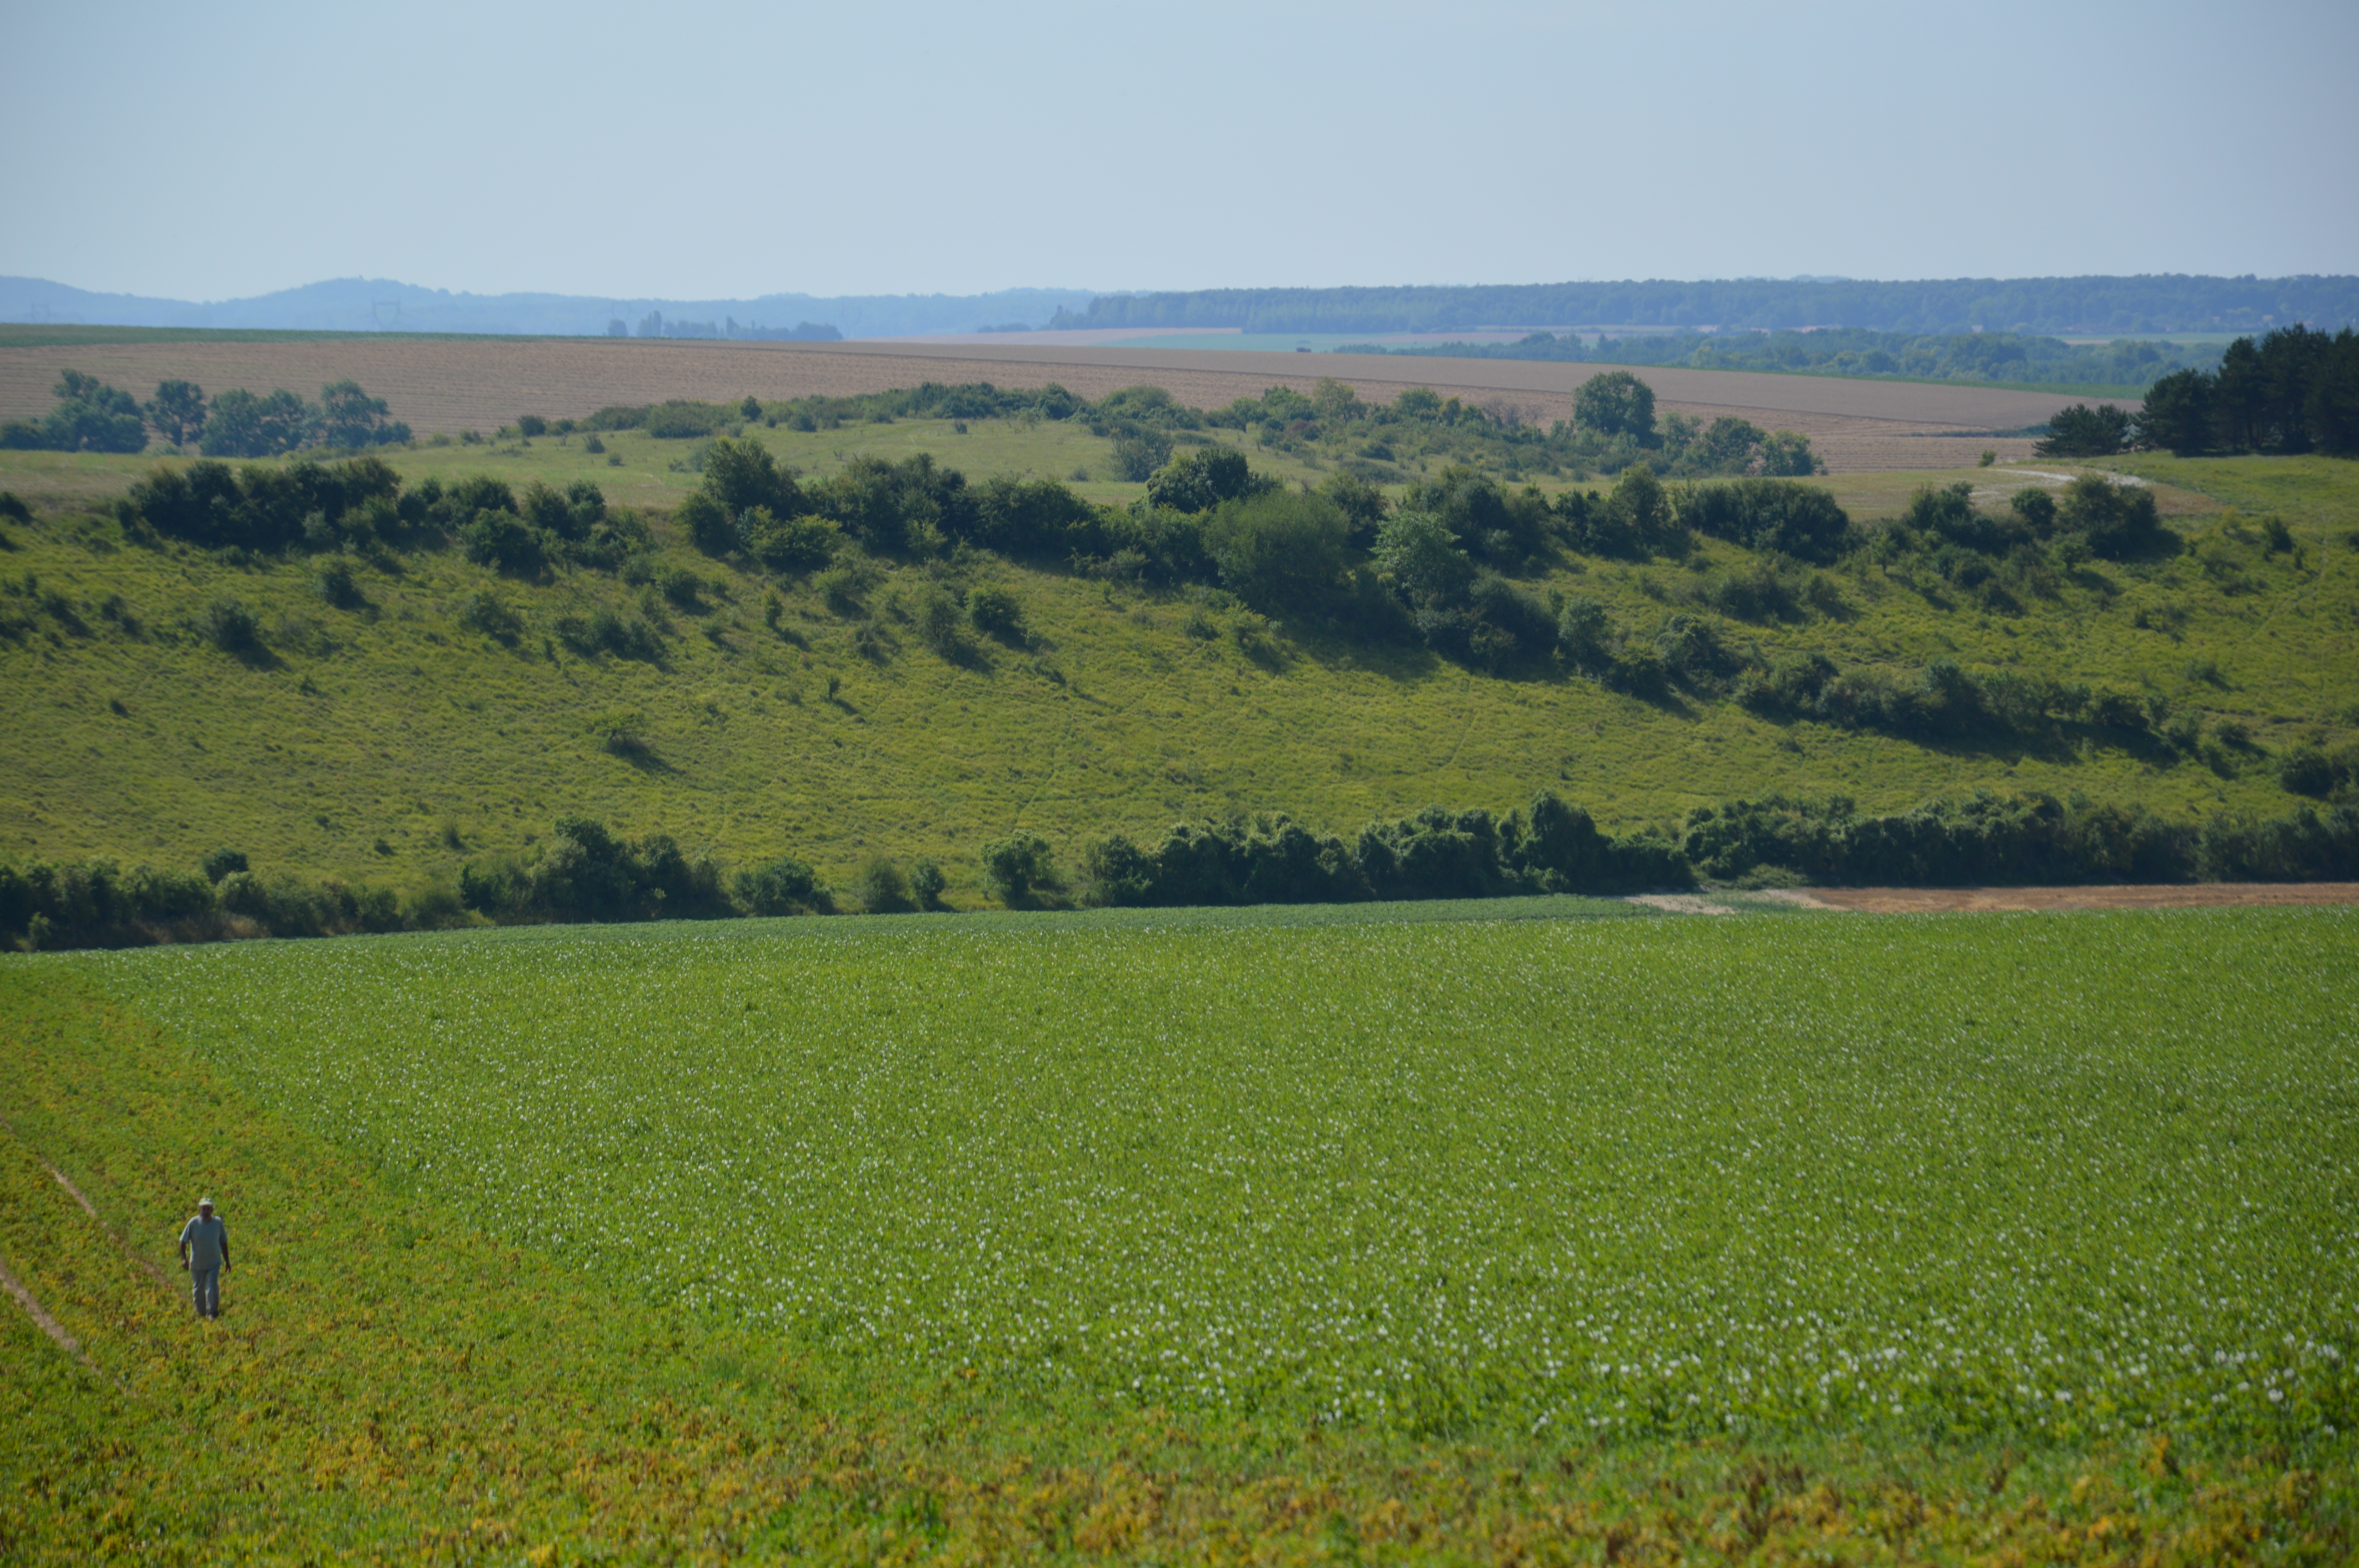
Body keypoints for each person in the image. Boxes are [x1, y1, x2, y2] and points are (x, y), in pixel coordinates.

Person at [178, 1197, 229, 1319]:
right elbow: (183, 1241)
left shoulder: (218, 1223)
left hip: (214, 1263)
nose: (206, 1211)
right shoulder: (193, 1223)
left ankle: (212, 1313)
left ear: (212, 1210)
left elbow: (224, 1242)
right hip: (197, 1265)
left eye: (208, 1209)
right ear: (199, 1210)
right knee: (199, 1290)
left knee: (212, 1286)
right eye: (204, 1209)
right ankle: (202, 1313)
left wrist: (228, 1262)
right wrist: (184, 1259)